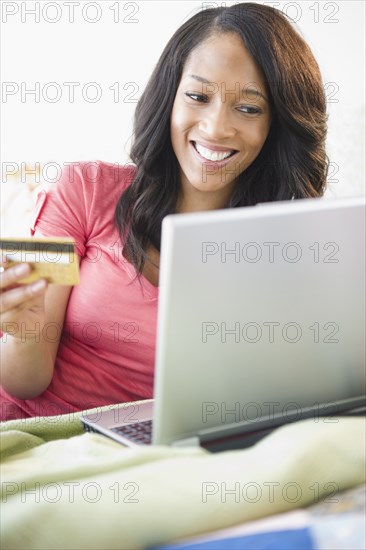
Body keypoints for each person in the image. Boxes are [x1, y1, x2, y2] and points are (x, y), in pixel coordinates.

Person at [0, 2, 328, 421]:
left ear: (276, 124)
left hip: (158, 453)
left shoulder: (288, 249)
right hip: (37, 426)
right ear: (169, 96)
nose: (215, 128)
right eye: (198, 96)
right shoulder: (84, 189)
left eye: (248, 108)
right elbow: (23, 382)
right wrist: (26, 329)